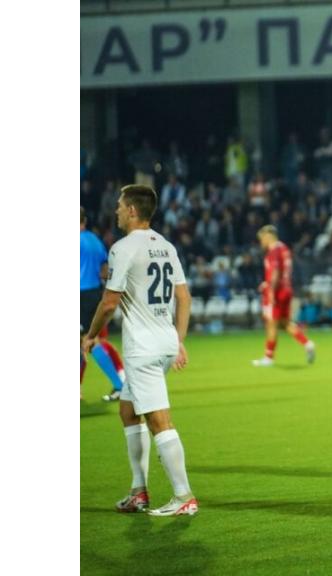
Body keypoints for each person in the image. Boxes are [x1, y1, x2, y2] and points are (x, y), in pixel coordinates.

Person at [81, 184, 198, 516]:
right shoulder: (166, 245)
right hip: (163, 340)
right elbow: (184, 297)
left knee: (159, 420)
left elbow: (109, 302)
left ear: (132, 210)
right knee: (128, 411)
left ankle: (183, 495)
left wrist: (90, 336)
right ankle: (139, 492)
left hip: (143, 348)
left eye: (119, 205)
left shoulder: (122, 248)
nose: (116, 210)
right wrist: (180, 340)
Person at [252, 225, 316, 367]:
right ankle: (307, 344)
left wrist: (270, 291)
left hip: (277, 292)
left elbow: (274, 272)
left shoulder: (274, 250)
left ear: (269, 236)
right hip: (286, 290)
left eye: (261, 239)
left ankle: (268, 357)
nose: (261, 242)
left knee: (271, 323)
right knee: (285, 323)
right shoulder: (284, 249)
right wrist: (266, 283)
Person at [81, 207, 127, 401]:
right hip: (94, 295)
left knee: (89, 343)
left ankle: (120, 385)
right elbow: (104, 270)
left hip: (79, 296)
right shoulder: (94, 240)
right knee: (87, 342)